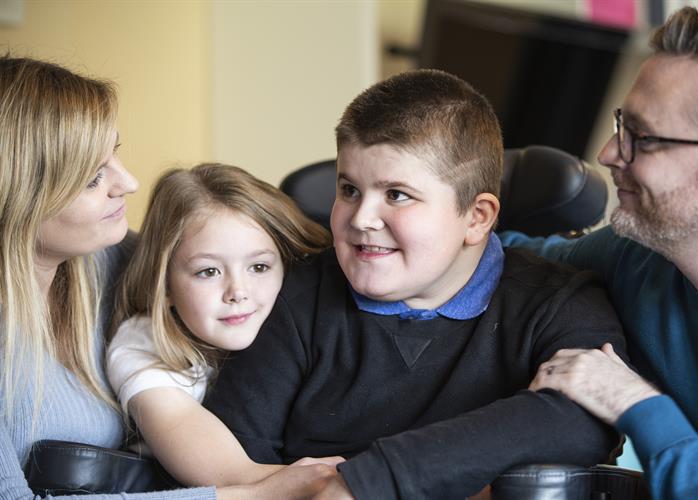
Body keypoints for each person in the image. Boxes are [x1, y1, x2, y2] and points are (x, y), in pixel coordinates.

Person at [204, 69, 628, 499]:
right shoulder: (291, 299)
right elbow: (231, 466)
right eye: (349, 189)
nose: (361, 218)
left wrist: (370, 481)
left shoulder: (557, 306)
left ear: (476, 217)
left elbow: (590, 416)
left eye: (396, 195)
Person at [0, 56, 333, 500]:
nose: (130, 183)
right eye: (93, 178)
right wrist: (261, 494)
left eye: (114, 155)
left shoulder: (112, 260)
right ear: (21, 195)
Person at [501, 7, 698, 498]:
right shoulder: (639, 260)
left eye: (645, 138)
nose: (608, 155)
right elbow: (513, 260)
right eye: (621, 126)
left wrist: (638, 406)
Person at [107, 163, 341, 487]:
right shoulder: (143, 344)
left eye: (259, 266)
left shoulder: (302, 317)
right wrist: (353, 481)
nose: (238, 292)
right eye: (208, 272)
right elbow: (231, 475)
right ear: (164, 285)